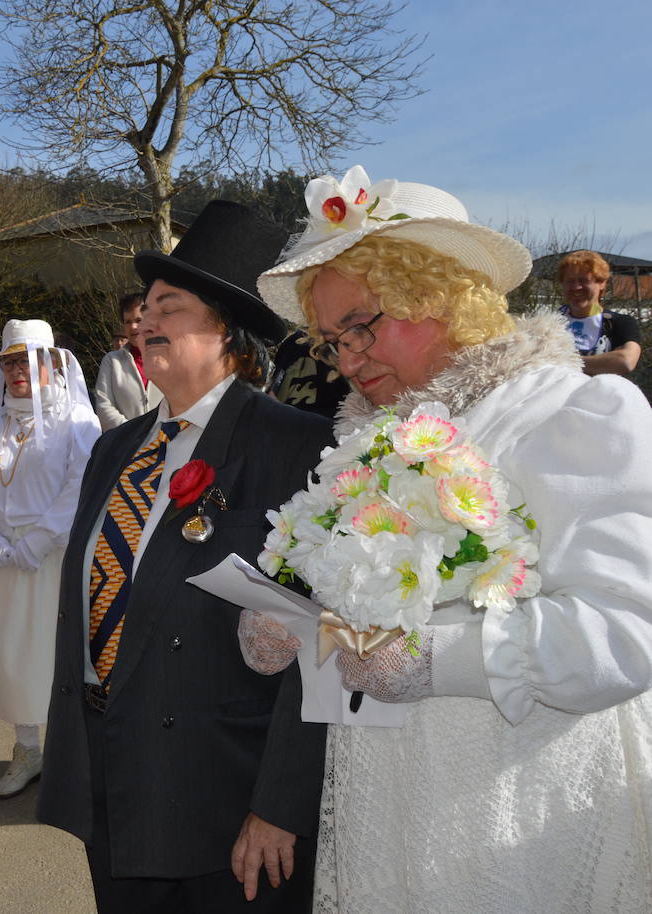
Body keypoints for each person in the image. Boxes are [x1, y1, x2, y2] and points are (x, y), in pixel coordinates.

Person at [247, 168, 652, 911]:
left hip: (516, 819)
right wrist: (300, 628)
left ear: (436, 294)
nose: (345, 360)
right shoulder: (367, 445)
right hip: (388, 806)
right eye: (330, 340)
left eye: (360, 327)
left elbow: (626, 635)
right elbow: (364, 622)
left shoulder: (572, 412)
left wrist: (436, 660)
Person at [38, 201, 334, 913]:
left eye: (169, 305)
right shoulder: (115, 447)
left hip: (223, 794)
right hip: (112, 764)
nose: (145, 320)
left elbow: (319, 636)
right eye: (144, 307)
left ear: (228, 332)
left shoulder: (296, 446)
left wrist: (280, 802)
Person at [0, 319, 100, 798]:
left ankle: (69, 750)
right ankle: (27, 747)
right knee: (9, 654)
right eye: (11, 361)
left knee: (54, 652)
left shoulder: (76, 421)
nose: (18, 370)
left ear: (52, 362)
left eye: (28, 359)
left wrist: (39, 539)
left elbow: (80, 483)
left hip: (51, 556)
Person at [556, 249, 642, 376]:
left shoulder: (619, 323)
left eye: (584, 280)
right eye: (570, 281)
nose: (576, 287)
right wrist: (601, 362)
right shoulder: (547, 322)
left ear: (602, 283)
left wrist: (563, 362)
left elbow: (625, 361)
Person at [91, 291, 164, 430]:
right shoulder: (112, 361)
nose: (133, 327)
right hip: (126, 446)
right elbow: (103, 407)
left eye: (138, 320)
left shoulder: (169, 357)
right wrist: (132, 433)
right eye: (127, 322)